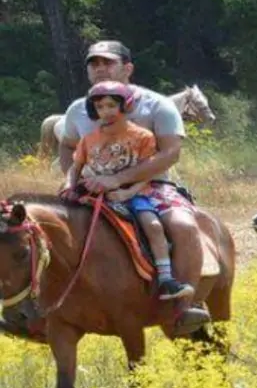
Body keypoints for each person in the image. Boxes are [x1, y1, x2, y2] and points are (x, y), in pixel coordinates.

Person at [58, 40, 210, 331]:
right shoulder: (78, 110)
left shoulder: (157, 105)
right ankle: (40, 308)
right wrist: (72, 182)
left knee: (183, 225)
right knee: (43, 226)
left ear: (128, 68)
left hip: (150, 186)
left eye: (108, 63)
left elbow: (170, 153)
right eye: (93, 63)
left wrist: (117, 180)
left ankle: (183, 306)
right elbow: (67, 146)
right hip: (90, 188)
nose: (100, 68)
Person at [63, 82, 194, 301]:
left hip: (133, 193)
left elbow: (148, 172)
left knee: (152, 225)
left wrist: (127, 193)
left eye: (111, 106)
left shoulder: (143, 137)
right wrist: (69, 185)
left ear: (126, 106)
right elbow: (75, 167)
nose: (106, 112)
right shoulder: (88, 139)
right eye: (100, 107)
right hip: (92, 194)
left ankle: (165, 278)